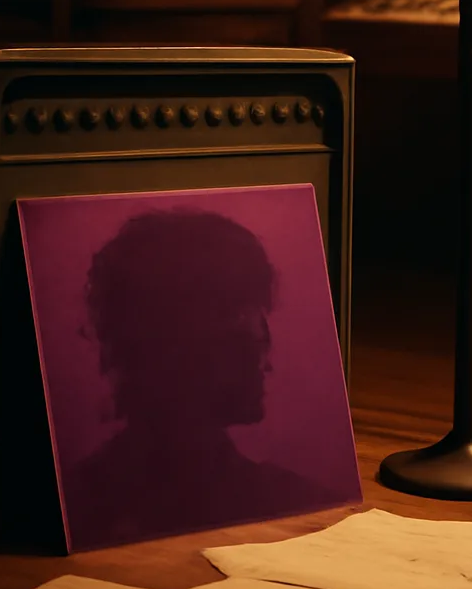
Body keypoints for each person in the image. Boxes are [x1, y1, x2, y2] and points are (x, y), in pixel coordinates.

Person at [63, 208, 337, 549]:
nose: (266, 366)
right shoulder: (81, 509)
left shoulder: (82, 498)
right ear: (182, 339)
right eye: (246, 336)